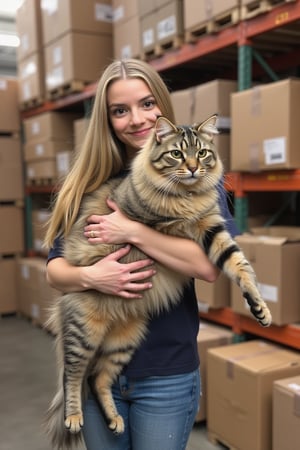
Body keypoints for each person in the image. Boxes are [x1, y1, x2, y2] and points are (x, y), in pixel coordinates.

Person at [44, 58, 239, 450]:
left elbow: (207, 266)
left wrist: (132, 230)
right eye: (120, 110)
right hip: (97, 364)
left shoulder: (195, 178)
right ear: (107, 118)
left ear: (163, 106)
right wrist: (91, 277)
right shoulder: (85, 183)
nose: (136, 119)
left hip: (165, 373)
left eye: (147, 104)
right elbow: (55, 269)